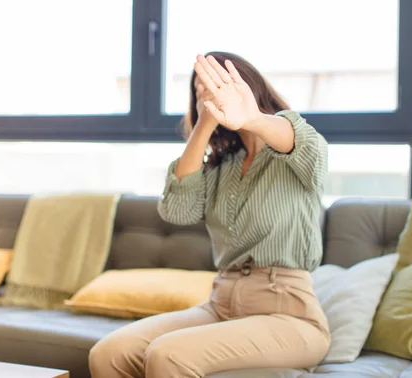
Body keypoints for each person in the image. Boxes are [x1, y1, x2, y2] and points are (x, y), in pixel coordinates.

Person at [89, 52, 330, 378]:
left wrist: (250, 117)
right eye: (200, 88)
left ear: (245, 86)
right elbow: (177, 209)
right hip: (221, 305)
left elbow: (302, 141)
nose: (209, 92)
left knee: (168, 355)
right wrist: (204, 122)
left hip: (289, 315)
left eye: (217, 84)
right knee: (110, 352)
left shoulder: (295, 154)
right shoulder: (222, 167)